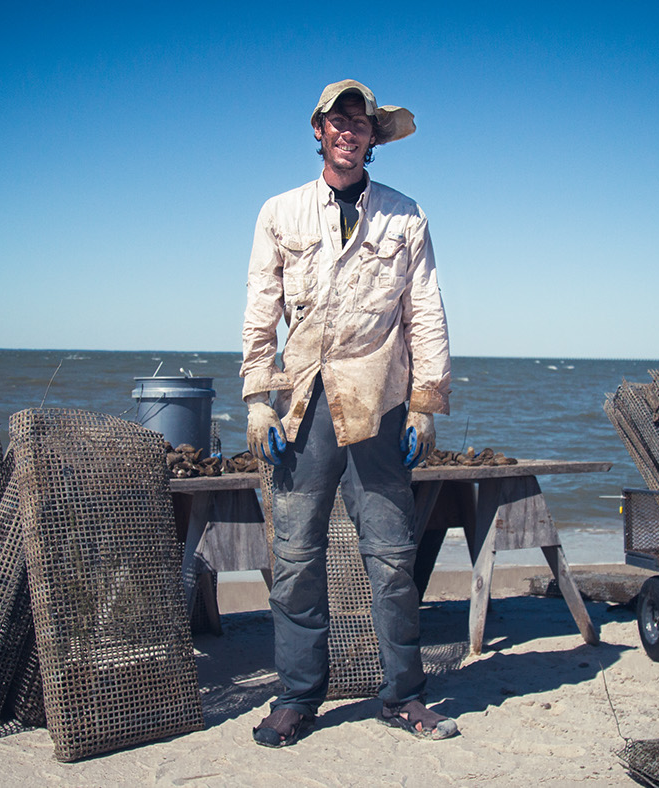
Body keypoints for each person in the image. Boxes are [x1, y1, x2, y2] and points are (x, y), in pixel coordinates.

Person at [240, 79, 455, 746]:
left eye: (360, 122)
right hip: (301, 404)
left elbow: (426, 314)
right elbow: (261, 307)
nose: (348, 131)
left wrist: (426, 405)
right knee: (297, 557)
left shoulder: (406, 215)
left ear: (373, 137)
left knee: (392, 557)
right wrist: (255, 398)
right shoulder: (279, 212)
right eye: (338, 121)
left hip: (380, 401)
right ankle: (298, 696)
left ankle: (404, 695)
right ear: (319, 131)